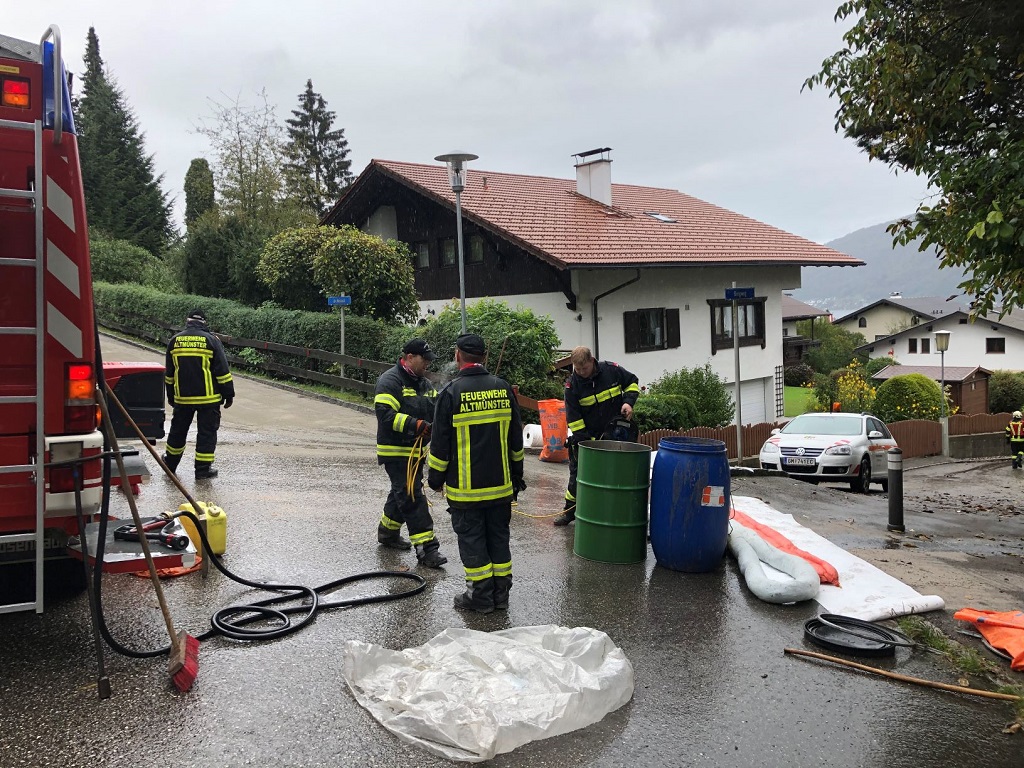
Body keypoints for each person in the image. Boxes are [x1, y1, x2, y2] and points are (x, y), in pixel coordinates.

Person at [428, 334, 525, 614]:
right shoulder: (503, 388)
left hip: (466, 491)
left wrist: (435, 479)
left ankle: (480, 597)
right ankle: (500, 595)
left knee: (473, 542)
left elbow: (440, 446)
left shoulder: (451, 393)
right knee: (498, 539)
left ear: (458, 355)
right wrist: (516, 477)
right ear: (483, 357)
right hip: (501, 488)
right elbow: (516, 441)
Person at [373, 339, 448, 568]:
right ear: (409, 357)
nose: (427, 364)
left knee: (402, 491)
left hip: (415, 452)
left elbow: (437, 409)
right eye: (424, 359)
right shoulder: (390, 381)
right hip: (396, 451)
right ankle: (427, 549)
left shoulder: (424, 384)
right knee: (411, 496)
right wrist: (416, 425)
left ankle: (387, 532)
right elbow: (385, 415)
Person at [554, 346, 640, 526]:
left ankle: (611, 512)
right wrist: (589, 442)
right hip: (586, 439)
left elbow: (632, 382)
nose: (581, 372)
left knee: (616, 476)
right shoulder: (572, 386)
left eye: (584, 368)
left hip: (615, 436)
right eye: (577, 369)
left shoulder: (611, 371)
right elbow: (574, 419)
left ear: (592, 361)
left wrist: (628, 403)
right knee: (578, 477)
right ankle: (569, 511)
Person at [162, 308, 235, 479]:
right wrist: (229, 394)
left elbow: (169, 375)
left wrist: (171, 396)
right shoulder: (212, 340)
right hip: (208, 400)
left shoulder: (175, 341)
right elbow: (222, 371)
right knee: (206, 433)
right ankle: (202, 470)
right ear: (204, 322)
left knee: (178, 431)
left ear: (187, 321)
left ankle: (170, 464)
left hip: (183, 399)